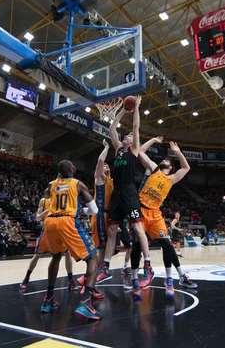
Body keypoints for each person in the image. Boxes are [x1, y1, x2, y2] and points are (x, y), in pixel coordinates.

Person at [36, 160, 102, 320]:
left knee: (56, 256)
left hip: (50, 222)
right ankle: (86, 301)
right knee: (94, 257)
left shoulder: (51, 185)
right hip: (67, 221)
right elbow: (94, 210)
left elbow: (49, 194)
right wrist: (81, 209)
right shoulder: (78, 184)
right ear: (72, 169)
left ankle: (48, 299)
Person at [101, 96, 155, 289]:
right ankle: (105, 267)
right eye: (126, 137)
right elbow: (112, 129)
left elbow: (136, 127)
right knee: (111, 230)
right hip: (117, 192)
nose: (127, 137)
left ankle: (147, 266)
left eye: (129, 137)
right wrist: (124, 109)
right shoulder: (117, 150)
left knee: (138, 229)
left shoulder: (134, 150)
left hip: (130, 192)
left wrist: (137, 108)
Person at [134, 139, 196, 299]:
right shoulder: (154, 169)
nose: (164, 160)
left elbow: (186, 167)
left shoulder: (172, 178)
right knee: (136, 245)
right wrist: (153, 140)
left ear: (170, 167)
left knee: (166, 245)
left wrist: (177, 151)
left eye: (167, 161)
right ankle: (135, 279)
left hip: (155, 214)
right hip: (140, 210)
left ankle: (169, 279)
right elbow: (140, 151)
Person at [19, 188, 80, 291]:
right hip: (48, 229)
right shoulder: (44, 201)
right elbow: (38, 218)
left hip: (61, 229)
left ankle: (70, 281)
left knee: (67, 253)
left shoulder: (62, 201)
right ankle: (26, 278)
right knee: (37, 255)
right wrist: (46, 212)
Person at [92, 140, 115, 283]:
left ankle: (100, 271)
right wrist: (107, 147)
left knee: (106, 247)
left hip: (109, 215)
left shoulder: (111, 181)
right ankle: (95, 274)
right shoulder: (99, 178)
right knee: (101, 248)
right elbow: (100, 161)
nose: (105, 166)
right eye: (104, 166)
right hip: (100, 214)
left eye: (107, 165)